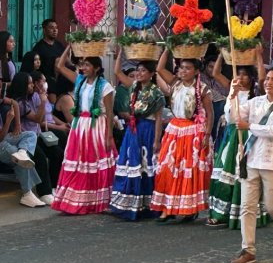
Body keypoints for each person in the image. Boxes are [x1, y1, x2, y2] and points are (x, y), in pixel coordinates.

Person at [228, 67, 273, 263]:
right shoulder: (255, 102)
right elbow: (234, 117)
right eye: (267, 79)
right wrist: (232, 95)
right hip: (250, 159)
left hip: (271, 161)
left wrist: (250, 126)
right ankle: (248, 250)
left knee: (272, 206)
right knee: (247, 207)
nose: (268, 82)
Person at [207, 46, 268, 229]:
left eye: (244, 75)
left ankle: (245, 212)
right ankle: (220, 213)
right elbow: (216, 72)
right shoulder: (232, 88)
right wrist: (222, 52)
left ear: (251, 77)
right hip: (230, 135)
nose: (241, 78)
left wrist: (258, 55)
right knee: (223, 173)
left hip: (248, 136)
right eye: (238, 74)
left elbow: (263, 77)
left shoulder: (257, 92)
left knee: (245, 174)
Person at [51, 47, 116, 214]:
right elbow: (60, 66)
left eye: (87, 65)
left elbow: (109, 112)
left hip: (97, 126)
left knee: (94, 163)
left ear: (96, 68)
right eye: (82, 65)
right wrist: (69, 46)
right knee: (78, 162)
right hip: (80, 126)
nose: (83, 68)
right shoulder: (80, 80)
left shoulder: (105, 86)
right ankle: (75, 200)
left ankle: (97, 200)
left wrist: (109, 135)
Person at [151, 53, 213, 221]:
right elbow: (159, 68)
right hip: (174, 131)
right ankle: (168, 208)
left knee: (188, 172)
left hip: (193, 132)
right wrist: (168, 48)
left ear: (196, 71)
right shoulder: (175, 82)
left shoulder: (202, 89)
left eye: (187, 68)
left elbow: (210, 113)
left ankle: (189, 209)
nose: (183, 71)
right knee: (168, 169)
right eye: (181, 67)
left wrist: (206, 134)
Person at [109, 50, 165, 221]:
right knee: (129, 163)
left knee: (144, 167)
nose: (139, 74)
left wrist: (157, 140)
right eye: (138, 70)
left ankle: (146, 205)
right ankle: (128, 204)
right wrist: (121, 54)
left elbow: (158, 119)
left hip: (147, 130)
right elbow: (118, 72)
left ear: (151, 74)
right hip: (133, 130)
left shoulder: (156, 93)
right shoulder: (134, 87)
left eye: (143, 71)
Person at [9, 71, 62, 204]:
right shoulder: (19, 103)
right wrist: (44, 102)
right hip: (25, 139)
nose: (32, 85)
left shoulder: (33, 97)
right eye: (30, 83)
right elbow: (38, 119)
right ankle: (44, 192)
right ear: (23, 85)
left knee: (57, 153)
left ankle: (54, 186)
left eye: (33, 82)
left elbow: (43, 117)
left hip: (37, 135)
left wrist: (41, 100)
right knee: (41, 158)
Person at [0, 97, 45, 207]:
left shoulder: (1, 100)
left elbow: (14, 102)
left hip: (5, 138)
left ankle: (23, 151)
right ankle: (27, 193)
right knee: (18, 157)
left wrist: (17, 124)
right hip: (1, 142)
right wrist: (9, 120)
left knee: (30, 135)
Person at [32, 19, 66, 100]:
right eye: (51, 28)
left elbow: (66, 61)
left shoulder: (59, 45)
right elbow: (35, 68)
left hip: (61, 81)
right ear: (44, 30)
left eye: (56, 28)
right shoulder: (39, 47)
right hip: (47, 83)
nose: (55, 30)